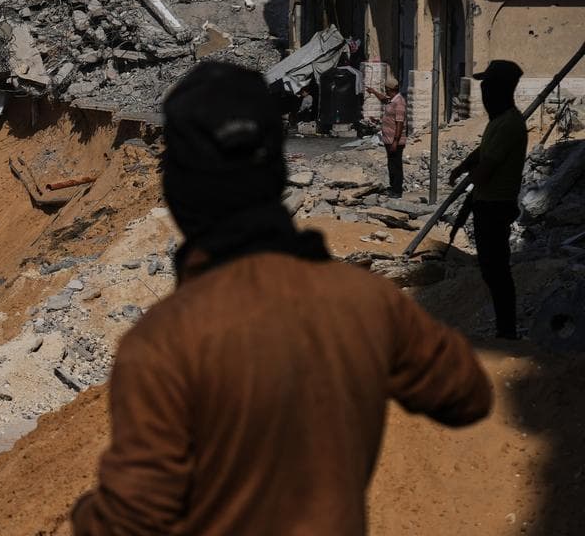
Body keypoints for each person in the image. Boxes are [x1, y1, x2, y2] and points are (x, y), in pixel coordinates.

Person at [71, 61, 492, 536]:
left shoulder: (164, 343)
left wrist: (85, 516)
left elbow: (129, 522)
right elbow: (466, 395)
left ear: (180, 191)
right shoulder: (366, 300)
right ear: (277, 171)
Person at [449, 59, 526, 339]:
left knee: (497, 271)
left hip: (496, 206)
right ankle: (504, 327)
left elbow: (486, 168)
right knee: (491, 270)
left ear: (501, 90)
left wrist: (471, 180)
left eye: (488, 87)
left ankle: (507, 332)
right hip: (486, 203)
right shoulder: (498, 122)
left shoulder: (509, 124)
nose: (483, 94)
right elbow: (483, 152)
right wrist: (461, 168)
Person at [368, 76, 407, 197]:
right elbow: (384, 100)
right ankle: (392, 187)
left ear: (390, 89)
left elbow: (399, 123)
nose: (385, 91)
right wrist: (374, 92)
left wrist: (395, 141)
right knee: (391, 164)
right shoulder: (392, 100)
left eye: (386, 89)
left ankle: (397, 190)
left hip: (395, 141)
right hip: (388, 139)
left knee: (396, 165)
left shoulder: (399, 102)